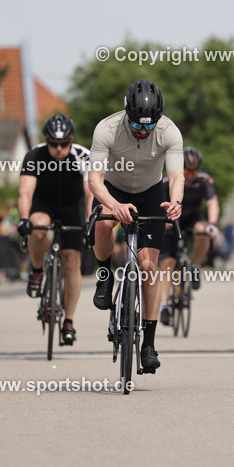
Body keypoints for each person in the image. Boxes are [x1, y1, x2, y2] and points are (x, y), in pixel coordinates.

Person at [89, 80, 184, 373]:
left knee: (148, 268)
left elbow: (177, 176)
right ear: (126, 112)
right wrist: (113, 205)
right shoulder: (106, 129)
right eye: (136, 124)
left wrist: (176, 201)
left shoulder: (169, 132)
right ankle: (105, 275)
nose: (142, 131)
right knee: (103, 224)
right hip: (113, 189)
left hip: (150, 193)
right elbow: (94, 180)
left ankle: (149, 344)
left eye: (149, 126)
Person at [17, 113, 93, 345]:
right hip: (44, 203)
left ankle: (68, 321)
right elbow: (26, 192)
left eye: (64, 144)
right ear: (46, 141)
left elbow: (91, 192)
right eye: (53, 144)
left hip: (72, 207)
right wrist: (23, 219)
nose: (59, 149)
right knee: (38, 228)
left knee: (72, 261)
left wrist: (91, 220)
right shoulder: (34, 155)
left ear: (71, 141)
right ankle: (37, 269)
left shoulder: (83, 156)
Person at [157, 146, 219, 324]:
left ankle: (196, 267)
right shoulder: (167, 180)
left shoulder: (204, 180)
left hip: (192, 217)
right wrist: (163, 221)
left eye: (193, 170)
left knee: (202, 230)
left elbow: (212, 202)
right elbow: (157, 203)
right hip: (170, 218)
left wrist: (212, 225)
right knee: (167, 262)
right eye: (186, 170)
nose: (190, 174)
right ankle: (164, 305)